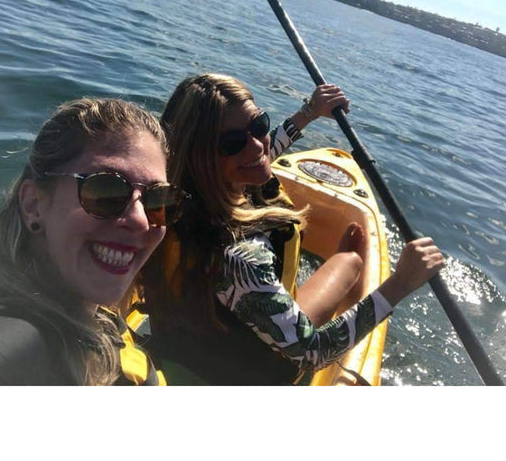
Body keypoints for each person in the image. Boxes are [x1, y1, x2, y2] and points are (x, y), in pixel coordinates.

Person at [139, 74, 445, 385]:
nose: (257, 144)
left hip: (183, 348)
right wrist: (402, 283)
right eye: (232, 143)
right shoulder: (241, 258)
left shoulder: (169, 203)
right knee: (351, 261)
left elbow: (259, 155)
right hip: (247, 372)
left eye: (259, 125)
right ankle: (343, 264)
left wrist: (309, 112)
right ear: (200, 157)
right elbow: (313, 351)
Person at [0, 97, 189, 385]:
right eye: (106, 191)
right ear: (34, 205)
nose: (141, 219)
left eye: (157, 199)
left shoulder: (79, 298)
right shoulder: (5, 336)